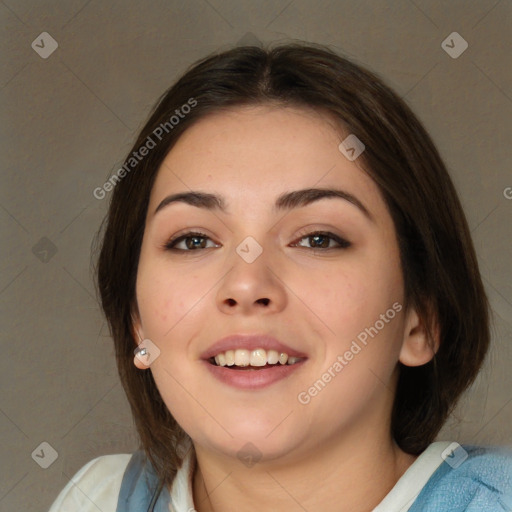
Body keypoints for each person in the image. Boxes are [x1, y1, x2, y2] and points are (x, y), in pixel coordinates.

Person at [48, 42, 512, 512]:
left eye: (318, 239)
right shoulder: (97, 499)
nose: (247, 286)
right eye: (193, 240)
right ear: (137, 322)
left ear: (421, 319)